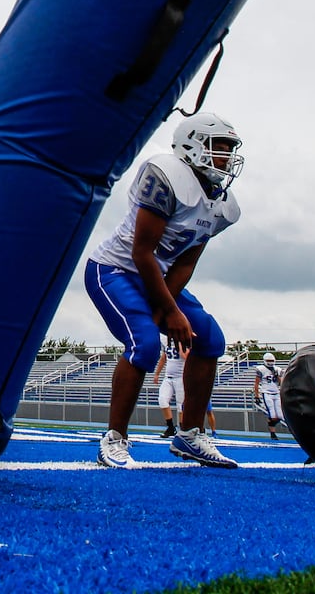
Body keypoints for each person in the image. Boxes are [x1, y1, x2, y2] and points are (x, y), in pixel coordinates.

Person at [84, 112, 245, 470]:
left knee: (209, 338)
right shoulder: (167, 176)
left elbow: (186, 263)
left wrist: (167, 305)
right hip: (115, 270)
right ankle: (114, 439)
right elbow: (142, 252)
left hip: (157, 275)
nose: (226, 157)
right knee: (144, 342)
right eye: (220, 147)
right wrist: (168, 311)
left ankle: (189, 434)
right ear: (192, 144)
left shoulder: (223, 205)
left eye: (230, 149)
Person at [153, 337, 187, 438]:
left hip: (180, 377)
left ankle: (182, 429)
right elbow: (163, 358)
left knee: (180, 405)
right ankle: (171, 427)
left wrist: (180, 346)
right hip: (168, 377)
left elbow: (187, 356)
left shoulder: (184, 340)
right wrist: (157, 374)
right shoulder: (166, 341)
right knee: (162, 400)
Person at [257, 352, 283, 440]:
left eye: (272, 360)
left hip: (276, 393)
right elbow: (256, 383)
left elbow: (281, 383)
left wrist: (277, 376)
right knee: (272, 415)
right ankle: (273, 433)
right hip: (266, 393)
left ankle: (271, 426)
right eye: (268, 360)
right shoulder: (261, 369)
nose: (270, 362)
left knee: (280, 416)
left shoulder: (277, 369)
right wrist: (257, 395)